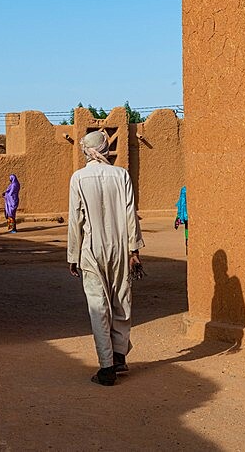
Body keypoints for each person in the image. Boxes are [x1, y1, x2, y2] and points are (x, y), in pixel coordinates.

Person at [67, 130, 144, 386]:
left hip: (91, 249)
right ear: (105, 147)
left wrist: (73, 255)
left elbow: (76, 219)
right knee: (122, 299)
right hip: (120, 247)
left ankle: (107, 366)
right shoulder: (121, 175)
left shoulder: (78, 178)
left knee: (98, 306)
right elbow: (130, 213)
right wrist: (134, 250)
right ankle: (119, 354)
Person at [175, 186, 188, 252]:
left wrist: (179, 216)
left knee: (187, 235)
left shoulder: (184, 190)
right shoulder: (184, 190)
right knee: (187, 234)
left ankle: (187, 247)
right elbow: (181, 204)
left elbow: (181, 205)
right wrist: (179, 216)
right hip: (187, 218)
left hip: (186, 217)